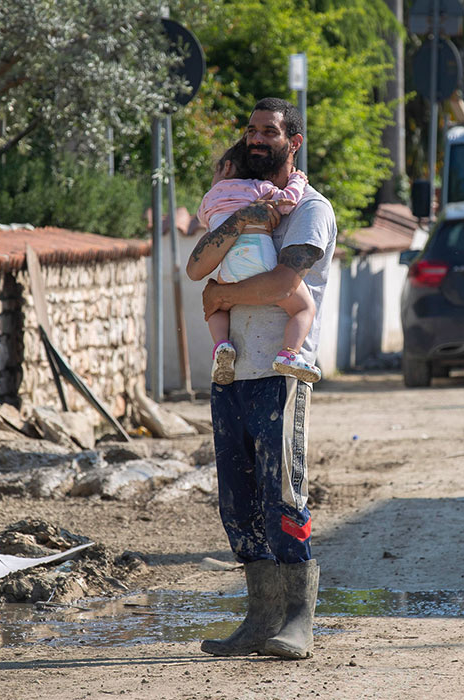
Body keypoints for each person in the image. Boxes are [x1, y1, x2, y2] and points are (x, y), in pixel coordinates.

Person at [185, 97, 337, 660]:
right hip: (231, 369)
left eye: (269, 131)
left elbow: (281, 285)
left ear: (292, 142)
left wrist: (222, 295)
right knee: (237, 499)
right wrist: (238, 225)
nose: (256, 138)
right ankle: (259, 616)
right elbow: (197, 264)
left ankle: (297, 619)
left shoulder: (310, 209)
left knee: (282, 492)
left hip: (281, 368)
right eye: (250, 129)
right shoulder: (239, 204)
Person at [196, 137, 320, 385]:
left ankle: (222, 346)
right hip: (260, 258)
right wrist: (298, 179)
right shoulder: (259, 189)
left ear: (227, 168)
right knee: (304, 307)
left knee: (216, 306)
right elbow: (287, 202)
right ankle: (289, 354)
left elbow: (205, 224)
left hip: (229, 265)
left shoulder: (209, 198)